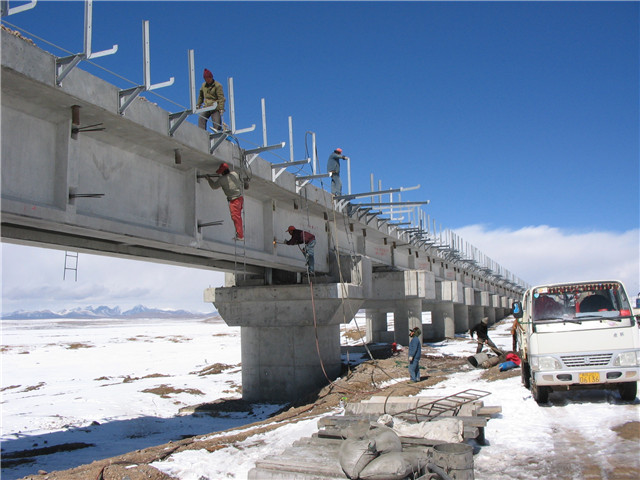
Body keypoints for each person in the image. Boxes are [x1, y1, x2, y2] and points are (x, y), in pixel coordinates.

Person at [206, 162, 243, 240]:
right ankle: (239, 234)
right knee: (238, 217)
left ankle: (240, 236)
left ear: (222, 172)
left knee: (236, 217)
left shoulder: (222, 179)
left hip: (234, 201)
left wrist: (209, 179)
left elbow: (214, 186)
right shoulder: (235, 174)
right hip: (240, 199)